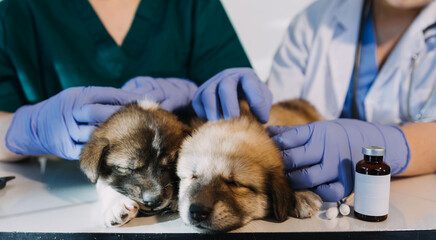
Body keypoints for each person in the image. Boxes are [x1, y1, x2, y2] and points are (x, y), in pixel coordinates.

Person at [192, 0, 436, 202]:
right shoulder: (315, 21)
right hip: (318, 206)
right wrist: (243, 104)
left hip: (413, 204)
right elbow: (274, 118)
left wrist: (394, 147)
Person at [0, 0, 251, 162]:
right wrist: (30, 128)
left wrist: (193, 97)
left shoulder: (191, 6)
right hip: (53, 201)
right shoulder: (18, 12)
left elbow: (241, 109)